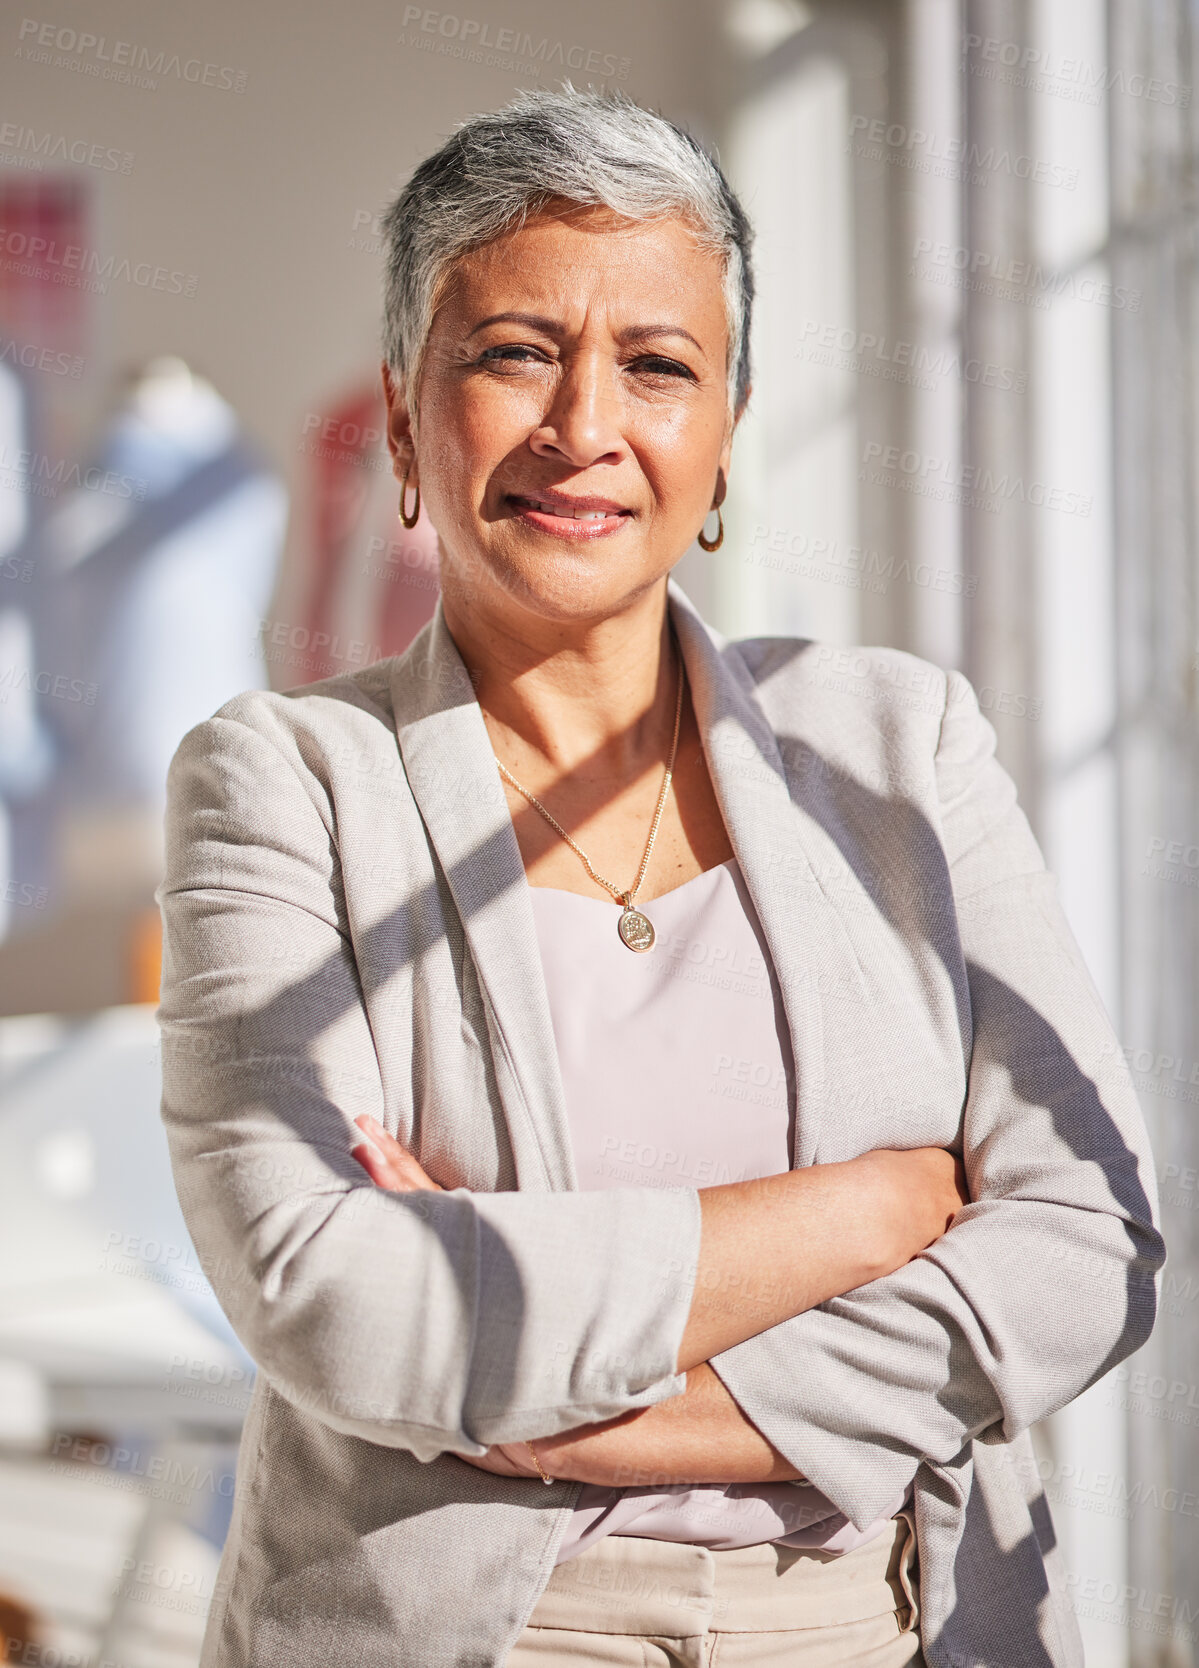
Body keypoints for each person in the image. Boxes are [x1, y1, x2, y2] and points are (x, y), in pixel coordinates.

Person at [156, 87, 1165, 1668]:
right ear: (409, 414)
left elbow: (1087, 1247)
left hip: (875, 1627)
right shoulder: (280, 783)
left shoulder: (897, 743)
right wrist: (862, 1211)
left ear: (724, 444)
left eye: (657, 365)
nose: (583, 426)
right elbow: (335, 1298)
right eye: (511, 353)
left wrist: (587, 1421)